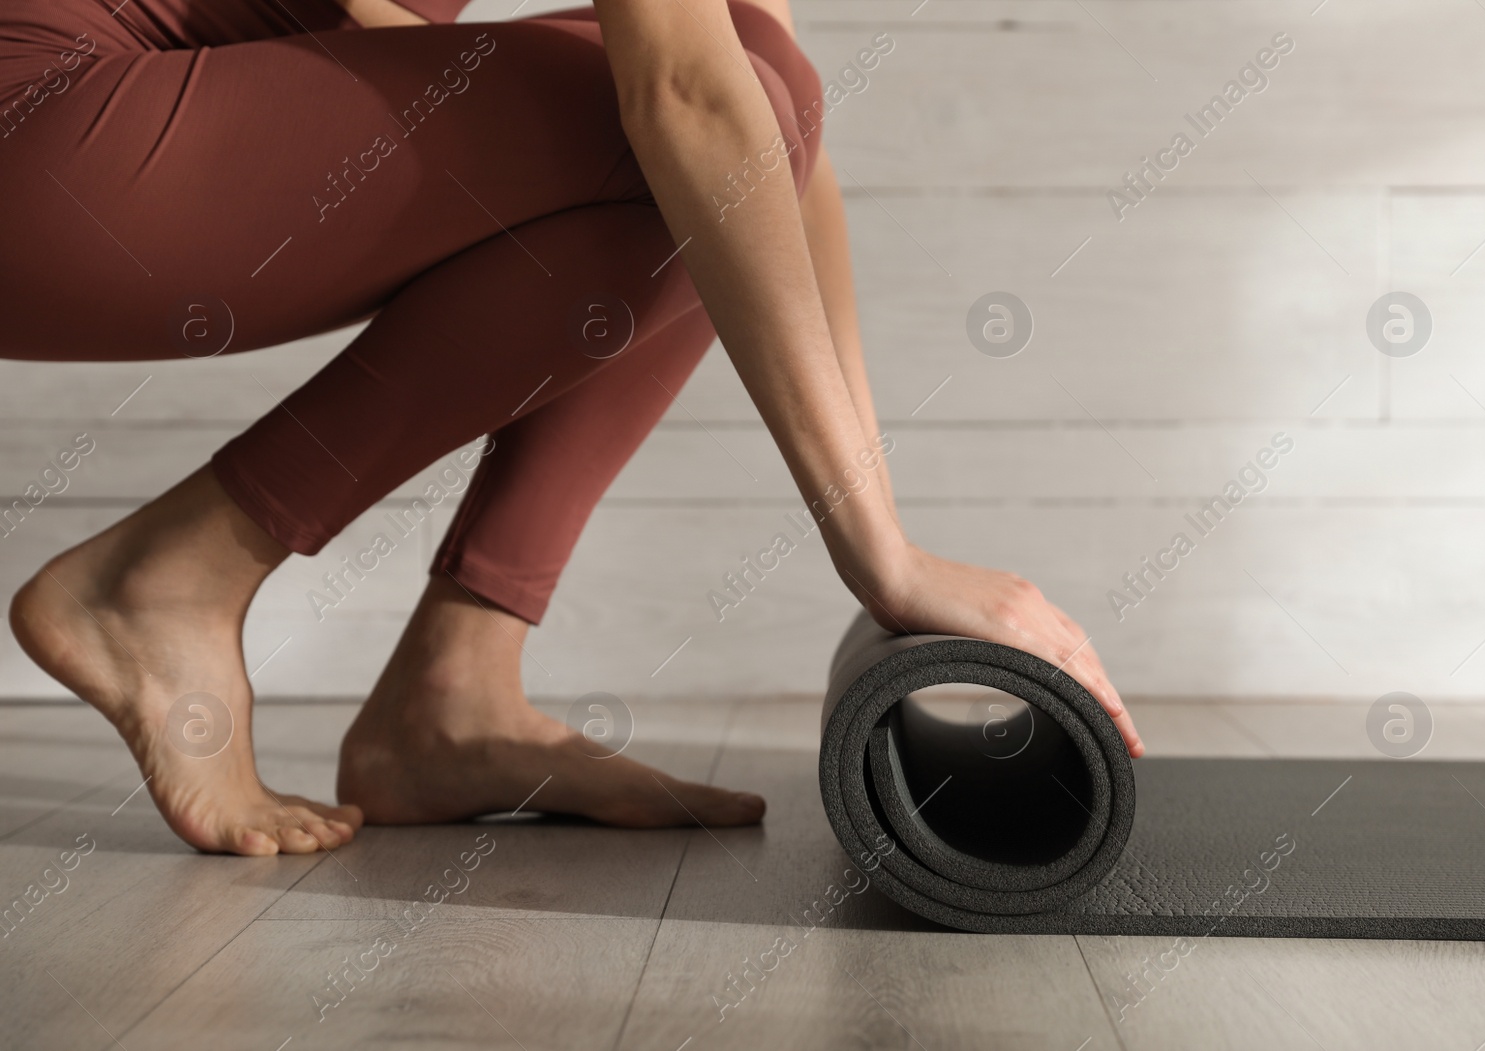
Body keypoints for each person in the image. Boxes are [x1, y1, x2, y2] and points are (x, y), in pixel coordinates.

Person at [0, 0, 1142, 857]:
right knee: (698, 120)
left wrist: (886, 531)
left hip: (105, 133)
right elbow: (692, 101)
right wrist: (881, 557)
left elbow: (775, 148)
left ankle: (454, 694)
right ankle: (166, 580)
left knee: (733, 117)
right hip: (40, 127)